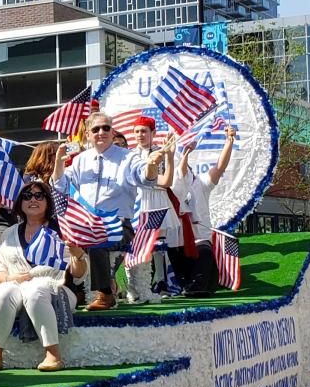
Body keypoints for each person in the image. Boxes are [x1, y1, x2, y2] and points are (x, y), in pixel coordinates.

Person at [53, 112, 163, 310]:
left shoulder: (128, 157)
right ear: (88, 134)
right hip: (87, 224)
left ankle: (105, 295)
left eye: (106, 128)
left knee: (98, 238)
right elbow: (60, 186)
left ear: (113, 132)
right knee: (62, 240)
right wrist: (59, 163)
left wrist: (152, 165)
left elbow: (146, 178)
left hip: (119, 224)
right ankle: (66, 292)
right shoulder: (80, 159)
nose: (101, 132)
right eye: (96, 129)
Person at [0, 180, 86, 371]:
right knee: (5, 291)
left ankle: (53, 355)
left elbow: (79, 275)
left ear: (48, 201)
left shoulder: (62, 231)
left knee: (35, 290)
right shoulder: (9, 233)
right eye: (27, 196)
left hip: (56, 289)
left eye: (39, 196)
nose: (33, 200)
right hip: (16, 287)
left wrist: (77, 255)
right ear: (20, 203)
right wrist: (9, 278)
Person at [168, 126, 237, 296]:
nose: (184, 171)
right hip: (179, 241)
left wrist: (229, 141)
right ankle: (177, 284)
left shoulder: (202, 184)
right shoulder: (172, 188)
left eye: (187, 168)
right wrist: (182, 154)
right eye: (181, 171)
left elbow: (220, 167)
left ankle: (197, 286)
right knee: (168, 255)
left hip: (200, 239)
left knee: (204, 253)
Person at [125, 116, 172, 304]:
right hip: (136, 202)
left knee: (157, 246)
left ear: (153, 133)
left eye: (144, 131)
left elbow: (166, 180)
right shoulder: (129, 154)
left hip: (156, 200)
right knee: (133, 246)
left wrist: (169, 156)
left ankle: (161, 283)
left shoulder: (161, 152)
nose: (140, 135)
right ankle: (133, 287)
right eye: (137, 131)